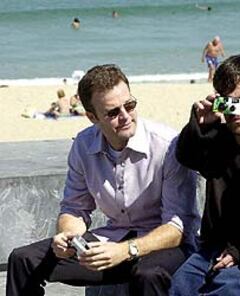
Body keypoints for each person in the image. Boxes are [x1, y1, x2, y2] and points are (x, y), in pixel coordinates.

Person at [7, 64, 200, 296]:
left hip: (165, 246)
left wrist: (126, 250)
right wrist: (68, 236)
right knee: (22, 259)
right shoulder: (83, 144)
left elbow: (178, 228)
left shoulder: (167, 145)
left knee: (149, 275)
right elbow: (75, 208)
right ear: (92, 117)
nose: (125, 117)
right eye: (113, 112)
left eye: (130, 105)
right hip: (112, 239)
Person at [170, 55, 240, 295]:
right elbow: (187, 156)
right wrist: (200, 125)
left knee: (227, 289)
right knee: (180, 286)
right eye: (229, 102)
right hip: (211, 248)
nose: (237, 109)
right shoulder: (221, 140)